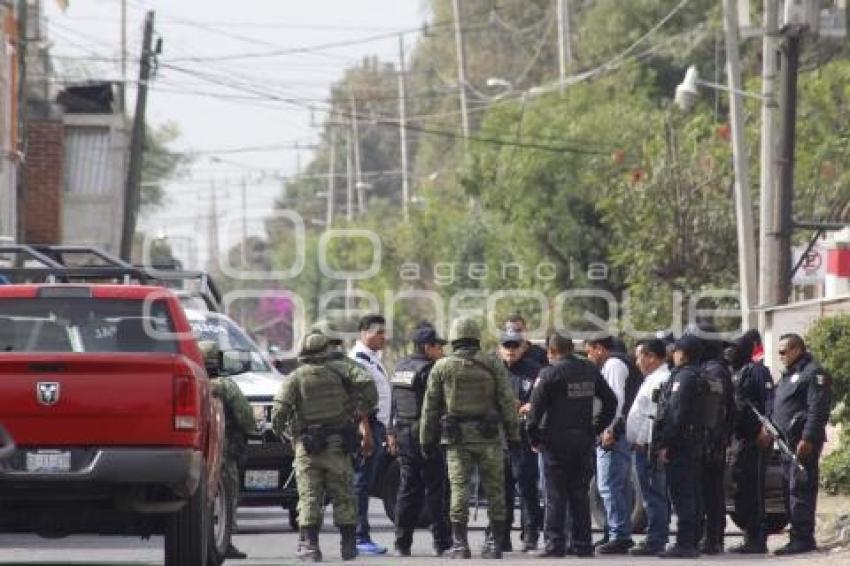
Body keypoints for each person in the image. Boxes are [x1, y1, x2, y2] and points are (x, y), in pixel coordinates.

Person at [272, 331, 378, 562]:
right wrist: (359, 410)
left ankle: (310, 546)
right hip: (338, 445)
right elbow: (369, 385)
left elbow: (278, 412)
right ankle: (348, 546)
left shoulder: (296, 377)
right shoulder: (342, 371)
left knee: (309, 496)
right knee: (344, 495)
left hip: (307, 447)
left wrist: (285, 434)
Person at [420, 317, 520, 559]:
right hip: (489, 438)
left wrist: (426, 439)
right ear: (477, 337)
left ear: (454, 338)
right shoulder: (493, 363)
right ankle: (495, 544)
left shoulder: (442, 366)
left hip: (456, 439)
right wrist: (514, 435)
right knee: (496, 490)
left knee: (459, 491)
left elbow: (430, 408)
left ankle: (460, 545)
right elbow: (508, 401)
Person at [527, 332, 617, 558]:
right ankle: (583, 544)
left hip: (555, 443)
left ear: (552, 352)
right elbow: (611, 401)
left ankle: (555, 545)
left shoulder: (549, 373)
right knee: (579, 493)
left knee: (555, 495)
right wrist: (596, 427)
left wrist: (535, 439)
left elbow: (534, 413)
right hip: (583, 440)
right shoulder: (589, 370)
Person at [387, 322, 451, 557]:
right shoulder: (429, 370)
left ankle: (402, 544)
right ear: (427, 347)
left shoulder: (401, 367)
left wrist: (391, 432)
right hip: (425, 435)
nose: (442, 351)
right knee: (436, 489)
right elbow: (438, 405)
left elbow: (394, 403)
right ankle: (442, 543)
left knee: (407, 490)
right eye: (438, 347)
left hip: (403, 434)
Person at [769, 333, 832, 555]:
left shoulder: (813, 373)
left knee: (800, 490)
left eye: (784, 352)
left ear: (797, 350)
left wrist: (808, 438)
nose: (781, 356)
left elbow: (817, 410)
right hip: (786, 443)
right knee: (789, 489)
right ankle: (795, 536)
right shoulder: (790, 374)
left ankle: (803, 538)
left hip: (802, 443)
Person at [202, 341, 256, 560]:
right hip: (224, 449)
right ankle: (225, 542)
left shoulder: (194, 383)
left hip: (198, 451)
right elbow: (246, 416)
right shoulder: (225, 385)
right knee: (227, 495)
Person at [655, 335, 704, 558]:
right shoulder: (695, 375)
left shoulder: (684, 378)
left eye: (675, 351)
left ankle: (685, 543)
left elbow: (676, 414)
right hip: (691, 443)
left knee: (682, 494)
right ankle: (690, 540)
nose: (672, 354)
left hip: (682, 445)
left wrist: (666, 442)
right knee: (689, 493)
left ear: (682, 354)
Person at [724, 334, 774, 554]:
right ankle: (749, 536)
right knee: (740, 489)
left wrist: (767, 429)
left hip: (755, 439)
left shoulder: (757, 371)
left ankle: (757, 539)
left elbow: (770, 402)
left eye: (734, 349)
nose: (730, 353)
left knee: (753, 490)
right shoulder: (735, 373)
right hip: (739, 439)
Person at [584, 336, 634, 554]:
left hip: (613, 433)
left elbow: (615, 400)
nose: (588, 356)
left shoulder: (613, 364)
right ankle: (612, 532)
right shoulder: (614, 363)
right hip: (616, 431)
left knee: (609, 486)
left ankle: (619, 535)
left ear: (599, 348)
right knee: (613, 486)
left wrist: (609, 429)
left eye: (589, 351)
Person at [348, 314, 391, 555]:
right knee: (361, 482)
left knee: (365, 482)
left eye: (384, 333)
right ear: (364, 333)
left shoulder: (372, 358)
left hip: (377, 426)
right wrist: (365, 429)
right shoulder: (358, 360)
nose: (384, 337)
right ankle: (359, 536)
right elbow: (357, 398)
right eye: (379, 333)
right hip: (367, 426)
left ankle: (359, 535)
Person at [499, 328, 543, 552]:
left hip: (524, 439)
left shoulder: (535, 371)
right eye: (506, 345)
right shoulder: (493, 371)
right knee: (501, 490)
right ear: (500, 348)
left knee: (527, 490)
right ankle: (501, 535)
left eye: (515, 345)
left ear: (523, 347)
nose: (511, 350)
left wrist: (528, 406)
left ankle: (531, 533)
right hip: (499, 440)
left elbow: (540, 401)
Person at [626, 338, 671, 556]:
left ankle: (656, 539)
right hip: (645, 445)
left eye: (639, 356)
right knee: (651, 494)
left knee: (653, 494)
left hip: (648, 446)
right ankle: (656, 536)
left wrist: (642, 441)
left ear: (651, 357)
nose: (637, 362)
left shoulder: (660, 379)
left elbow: (652, 415)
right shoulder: (653, 378)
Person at [695, 333, 735, 555]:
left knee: (710, 492)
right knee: (708, 491)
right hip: (713, 438)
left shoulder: (714, 371)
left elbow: (717, 409)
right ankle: (711, 537)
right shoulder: (714, 368)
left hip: (711, 440)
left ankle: (713, 538)